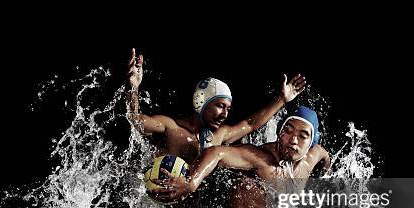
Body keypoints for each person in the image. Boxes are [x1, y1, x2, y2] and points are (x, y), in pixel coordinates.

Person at [153, 106, 331, 208]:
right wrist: (192, 181)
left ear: (311, 143)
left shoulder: (311, 157)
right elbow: (216, 152)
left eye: (302, 135)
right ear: (279, 132)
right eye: (288, 130)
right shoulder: (261, 159)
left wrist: (323, 176)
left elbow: (325, 157)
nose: (293, 139)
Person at [126, 48, 306, 164]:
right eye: (220, 106)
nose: (225, 114)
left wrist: (282, 100)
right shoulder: (170, 127)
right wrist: (133, 88)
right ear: (202, 101)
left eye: (228, 109)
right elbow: (135, 120)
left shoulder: (218, 136)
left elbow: (250, 124)